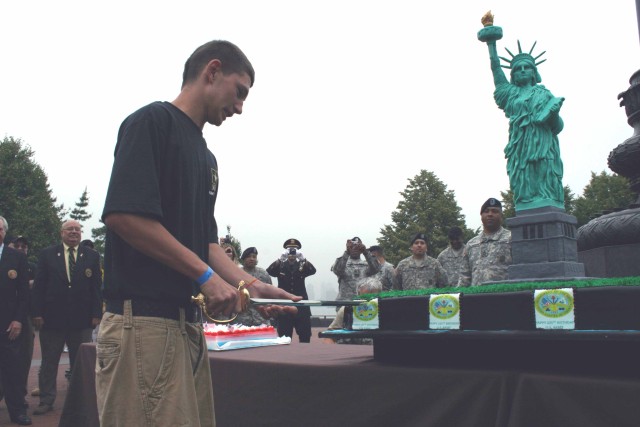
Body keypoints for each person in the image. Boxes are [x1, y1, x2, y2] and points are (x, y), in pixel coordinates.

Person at [97, 40, 300, 426]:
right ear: (212, 71)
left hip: (185, 326)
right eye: (239, 92)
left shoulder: (206, 157)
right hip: (142, 324)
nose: (240, 107)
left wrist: (252, 287)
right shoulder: (151, 122)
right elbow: (125, 216)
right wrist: (204, 278)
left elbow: (205, 243)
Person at [479, 16, 565, 211]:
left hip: (544, 146)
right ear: (513, 74)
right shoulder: (510, 93)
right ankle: (527, 204)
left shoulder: (544, 94)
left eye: (527, 67)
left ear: (534, 72)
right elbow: (495, 68)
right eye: (518, 69)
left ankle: (547, 200)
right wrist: (491, 43)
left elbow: (558, 127)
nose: (523, 71)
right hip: (520, 146)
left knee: (545, 177)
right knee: (522, 180)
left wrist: (552, 113)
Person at [30, 220, 102, 416]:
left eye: (77, 229)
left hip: (82, 320)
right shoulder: (47, 254)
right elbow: (39, 286)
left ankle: (81, 401)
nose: (74, 232)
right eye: (70, 229)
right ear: (61, 232)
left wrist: (97, 314)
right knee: (49, 362)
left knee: (80, 362)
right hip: (52, 319)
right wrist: (36, 313)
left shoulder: (92, 256)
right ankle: (46, 399)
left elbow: (96, 287)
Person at [0, 217, 32, 425]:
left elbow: (24, 294)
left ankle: (18, 411)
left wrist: (19, 320)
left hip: (8, 324)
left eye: (0, 228)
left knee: (12, 369)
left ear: (4, 232)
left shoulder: (16, 257)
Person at [267, 239, 316, 343]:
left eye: (294, 251)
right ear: (285, 252)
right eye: (289, 251)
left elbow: (313, 271)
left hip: (301, 306)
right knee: (284, 336)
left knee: (305, 336)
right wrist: (280, 259)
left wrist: (303, 260)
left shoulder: (302, 266)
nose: (292, 254)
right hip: (284, 306)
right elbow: (270, 271)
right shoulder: (280, 266)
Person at [458, 198, 513, 287]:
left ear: (501, 216)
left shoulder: (511, 239)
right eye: (486, 211)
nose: (490, 214)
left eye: (494, 211)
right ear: (481, 215)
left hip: (504, 296)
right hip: (476, 298)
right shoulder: (471, 244)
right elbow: (465, 277)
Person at [10, 236, 37, 404]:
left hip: (26, 317)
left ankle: (20, 394)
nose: (20, 248)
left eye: (24, 246)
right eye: (17, 245)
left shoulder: (32, 267)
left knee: (25, 357)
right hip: (6, 314)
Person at [325, 277, 381, 345]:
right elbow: (329, 336)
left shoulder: (386, 310)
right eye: (365, 298)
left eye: (373, 298)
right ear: (358, 295)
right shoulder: (347, 309)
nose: (368, 302)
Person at [332, 237, 380, 302]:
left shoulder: (366, 265)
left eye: (357, 247)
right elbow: (338, 271)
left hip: (362, 304)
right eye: (352, 247)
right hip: (345, 303)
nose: (354, 249)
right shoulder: (343, 263)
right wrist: (347, 252)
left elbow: (375, 269)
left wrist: (365, 252)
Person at [236, 247, 273, 326]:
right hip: (242, 318)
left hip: (261, 318)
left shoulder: (263, 274)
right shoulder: (237, 274)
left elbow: (270, 295)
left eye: (254, 257)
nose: (252, 259)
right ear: (243, 259)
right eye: (249, 256)